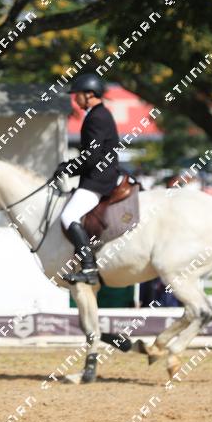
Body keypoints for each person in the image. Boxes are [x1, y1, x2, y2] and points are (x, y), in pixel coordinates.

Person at [53, 73, 120, 284]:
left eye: (78, 94)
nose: (75, 98)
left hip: (99, 179)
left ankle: (89, 267)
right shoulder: (99, 114)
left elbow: (91, 157)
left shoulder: (96, 117)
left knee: (69, 216)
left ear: (90, 94)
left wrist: (68, 168)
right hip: (99, 175)